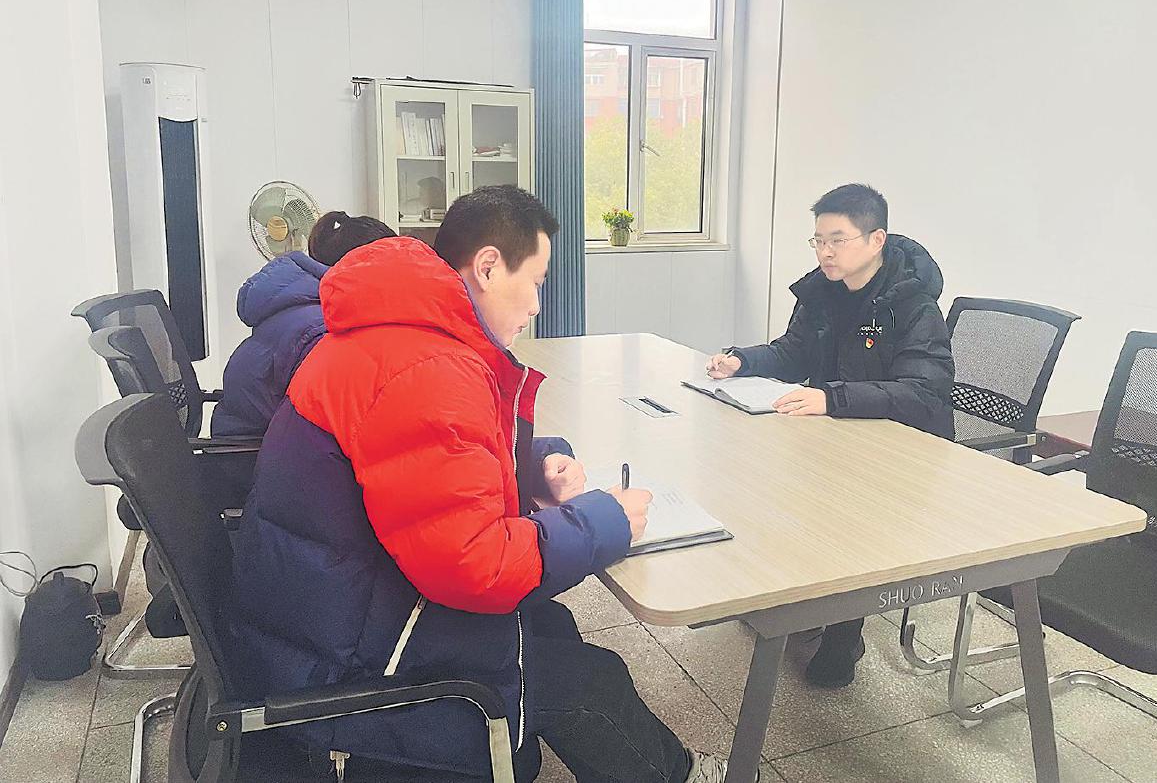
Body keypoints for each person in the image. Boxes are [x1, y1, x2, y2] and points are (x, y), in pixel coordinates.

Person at [234, 186, 735, 782]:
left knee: (552, 628)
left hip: (331, 611)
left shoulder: (400, 337)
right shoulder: (425, 368)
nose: (537, 306)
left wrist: (533, 465)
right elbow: (477, 565)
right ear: (490, 267)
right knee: (587, 682)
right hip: (349, 666)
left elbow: (433, 460)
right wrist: (604, 520)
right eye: (536, 282)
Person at [707, 182, 954, 688]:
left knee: (848, 513)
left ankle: (845, 630)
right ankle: (794, 595)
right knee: (758, 475)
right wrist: (742, 360)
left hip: (900, 454)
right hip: (834, 435)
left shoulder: (913, 307)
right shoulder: (822, 292)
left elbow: (924, 393)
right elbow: (794, 351)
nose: (825, 252)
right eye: (818, 240)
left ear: (876, 240)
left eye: (837, 240)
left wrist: (831, 399)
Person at [210, 211, 396, 437]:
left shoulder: (298, 301)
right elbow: (325, 423)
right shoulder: (321, 329)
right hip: (257, 450)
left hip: (241, 436)